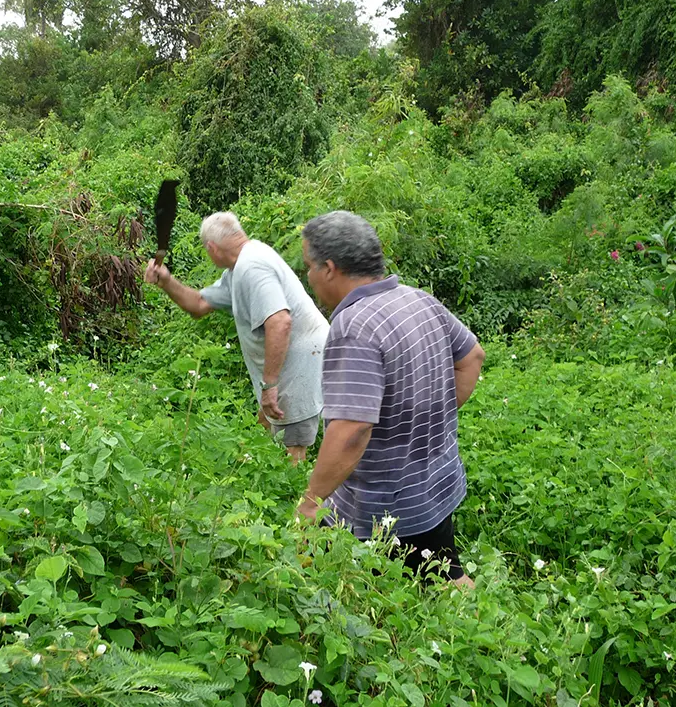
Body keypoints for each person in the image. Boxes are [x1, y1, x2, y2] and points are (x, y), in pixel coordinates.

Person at [296, 211, 486, 587]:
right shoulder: (417, 300)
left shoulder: (354, 326)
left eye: (308, 267)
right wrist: (426, 422)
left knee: (376, 592)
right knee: (443, 576)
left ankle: (493, 638)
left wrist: (311, 501)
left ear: (330, 269)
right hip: (435, 480)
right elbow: (472, 357)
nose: (308, 277)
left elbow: (352, 431)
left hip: (388, 503)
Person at [143, 212, 329, 461]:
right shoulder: (239, 268)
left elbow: (280, 321)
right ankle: (261, 478)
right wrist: (166, 281)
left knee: (292, 446)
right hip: (290, 357)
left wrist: (270, 385)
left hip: (301, 360)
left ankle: (297, 495)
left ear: (211, 248)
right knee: (265, 423)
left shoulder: (252, 267)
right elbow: (198, 304)